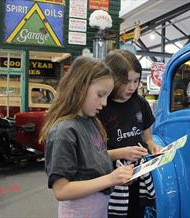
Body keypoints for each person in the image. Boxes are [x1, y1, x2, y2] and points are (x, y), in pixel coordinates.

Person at [39, 56, 134, 218]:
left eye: (107, 96)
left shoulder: (90, 122)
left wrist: (119, 172)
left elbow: (91, 157)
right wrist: (110, 179)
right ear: (80, 87)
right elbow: (61, 190)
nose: (104, 103)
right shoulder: (64, 131)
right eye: (100, 94)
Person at [98, 49, 162, 218]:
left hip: (137, 177)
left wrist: (152, 145)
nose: (132, 87)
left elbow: (147, 137)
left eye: (136, 80)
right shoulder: (99, 106)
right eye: (126, 82)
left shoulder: (140, 103)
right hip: (109, 181)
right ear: (111, 79)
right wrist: (122, 152)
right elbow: (92, 155)